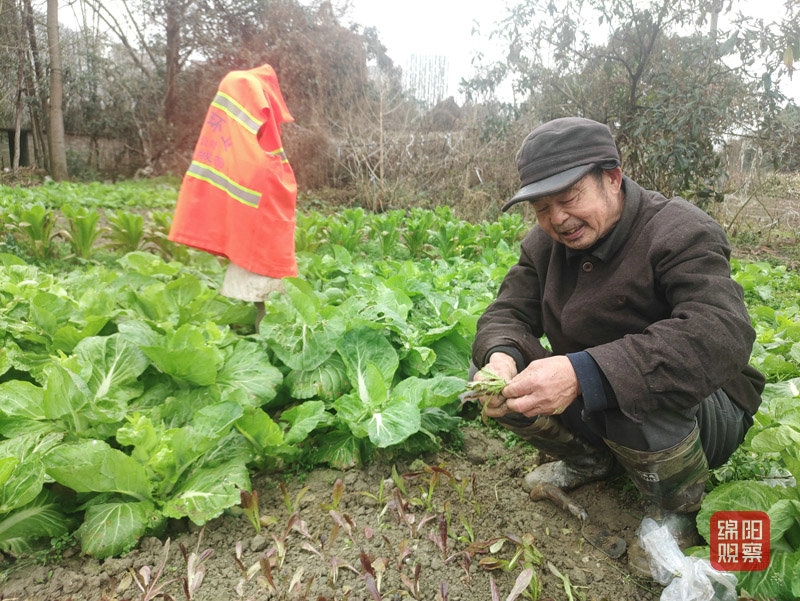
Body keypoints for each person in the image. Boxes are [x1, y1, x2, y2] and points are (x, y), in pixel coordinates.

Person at [470, 117, 764, 576]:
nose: (556, 219)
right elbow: (507, 312)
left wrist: (582, 372)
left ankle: (677, 507)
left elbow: (721, 332)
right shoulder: (544, 247)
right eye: (542, 208)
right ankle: (591, 459)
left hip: (705, 409)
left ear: (612, 178)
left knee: (632, 385)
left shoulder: (678, 229)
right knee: (493, 380)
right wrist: (501, 358)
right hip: (600, 400)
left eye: (568, 199)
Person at [169, 64, 298, 329]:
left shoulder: (249, 156)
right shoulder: (242, 153)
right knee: (262, 295)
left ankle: (265, 337)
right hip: (257, 241)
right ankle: (260, 335)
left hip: (265, 243)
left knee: (266, 293)